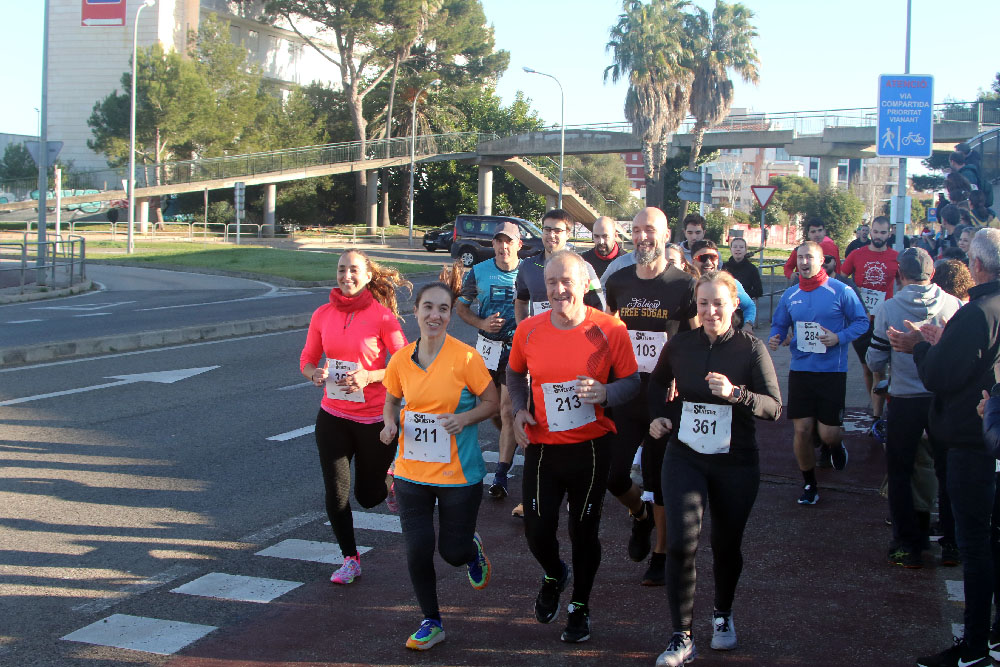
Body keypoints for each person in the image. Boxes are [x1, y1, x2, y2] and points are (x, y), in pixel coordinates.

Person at [647, 271, 782, 666]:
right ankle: (681, 636)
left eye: (718, 303)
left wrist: (736, 393)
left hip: (735, 460)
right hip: (685, 454)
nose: (710, 311)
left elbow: (774, 407)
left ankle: (723, 614)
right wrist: (658, 416)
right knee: (681, 542)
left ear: (734, 304)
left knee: (725, 544)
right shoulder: (680, 345)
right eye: (703, 304)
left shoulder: (751, 349)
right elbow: (656, 384)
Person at [506, 250, 640, 643]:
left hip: (591, 448)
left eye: (567, 281)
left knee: (583, 532)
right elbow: (514, 375)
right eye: (552, 282)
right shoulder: (528, 330)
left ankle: (579, 606)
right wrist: (518, 410)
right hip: (543, 447)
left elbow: (632, 382)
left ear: (584, 284)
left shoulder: (610, 329)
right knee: (536, 530)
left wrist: (606, 392)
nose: (559, 290)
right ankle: (554, 573)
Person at [889, 228, 1000, 667]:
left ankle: (973, 647)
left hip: (972, 439)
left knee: (976, 545)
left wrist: (921, 347)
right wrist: (940, 342)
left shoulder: (975, 313)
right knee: (993, 539)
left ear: (976, 265)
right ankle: (993, 636)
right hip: (991, 436)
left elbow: (940, 376)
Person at [380, 267, 500, 651]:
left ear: (450, 315)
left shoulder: (466, 358)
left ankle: (470, 550)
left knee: (452, 552)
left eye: (443, 309)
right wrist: (389, 424)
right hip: (411, 471)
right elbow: (391, 401)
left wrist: (464, 419)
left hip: (458, 474)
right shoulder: (401, 360)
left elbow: (492, 402)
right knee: (417, 549)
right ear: (416, 311)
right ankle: (431, 621)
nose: (435, 315)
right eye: (428, 307)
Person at [299, 249, 410, 584]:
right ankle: (350, 558)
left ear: (367, 276)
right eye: (341, 269)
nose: (346, 276)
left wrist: (369, 376)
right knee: (335, 494)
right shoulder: (322, 314)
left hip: (374, 419)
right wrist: (314, 374)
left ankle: (391, 480)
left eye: (353, 270)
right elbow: (307, 359)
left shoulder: (382, 317)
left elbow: (403, 363)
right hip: (333, 416)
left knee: (369, 496)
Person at [604, 207, 698, 586]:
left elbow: (693, 340)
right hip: (627, 391)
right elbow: (610, 331)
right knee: (613, 476)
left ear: (666, 234)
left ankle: (660, 554)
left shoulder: (683, 285)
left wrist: (681, 375)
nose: (643, 237)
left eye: (650, 230)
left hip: (664, 396)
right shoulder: (618, 282)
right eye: (637, 230)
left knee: (659, 481)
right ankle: (640, 517)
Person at [866, 248, 962, 569]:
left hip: (905, 399)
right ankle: (952, 543)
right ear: (932, 274)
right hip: (942, 398)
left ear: (900, 275)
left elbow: (875, 360)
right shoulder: (954, 305)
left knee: (900, 472)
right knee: (948, 471)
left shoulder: (889, 308)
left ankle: (908, 545)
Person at [512, 208, 606, 519]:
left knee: (572, 419)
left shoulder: (583, 267)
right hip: (539, 350)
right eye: (547, 228)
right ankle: (535, 494)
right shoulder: (528, 265)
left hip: (576, 349)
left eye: (558, 230)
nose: (552, 234)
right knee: (532, 417)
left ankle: (573, 488)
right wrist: (524, 332)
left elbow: (600, 308)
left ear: (568, 234)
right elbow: (521, 299)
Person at [768, 241, 869, 504]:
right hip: (801, 370)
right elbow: (779, 324)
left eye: (809, 257)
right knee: (801, 430)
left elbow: (862, 322)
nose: (804, 262)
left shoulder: (841, 291)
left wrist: (839, 337)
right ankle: (809, 484)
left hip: (831, 372)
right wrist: (776, 337)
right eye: (800, 257)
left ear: (821, 260)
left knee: (827, 433)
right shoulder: (790, 295)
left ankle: (835, 445)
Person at [457, 222, 521, 503]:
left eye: (509, 241)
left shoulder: (528, 272)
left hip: (515, 350)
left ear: (519, 245)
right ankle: (511, 438)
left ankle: (501, 475)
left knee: (506, 410)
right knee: (490, 409)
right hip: (486, 349)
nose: (503, 246)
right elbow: (461, 307)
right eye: (498, 241)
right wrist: (481, 323)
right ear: (493, 244)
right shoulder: (479, 271)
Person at [838, 215, 899, 422]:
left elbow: (905, 283)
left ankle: (878, 413)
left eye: (883, 232)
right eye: (876, 232)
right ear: (870, 231)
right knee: (867, 368)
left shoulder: (896, 257)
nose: (878, 236)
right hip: (861, 319)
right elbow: (842, 279)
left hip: (885, 319)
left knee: (880, 369)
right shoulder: (857, 254)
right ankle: (874, 408)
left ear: (889, 234)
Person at [690, 240, 756, 330]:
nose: (708, 262)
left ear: (718, 260)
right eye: (703, 258)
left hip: (725, 335)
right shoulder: (685, 284)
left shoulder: (729, 283)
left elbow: (749, 306)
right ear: (693, 261)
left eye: (713, 257)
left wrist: (748, 325)